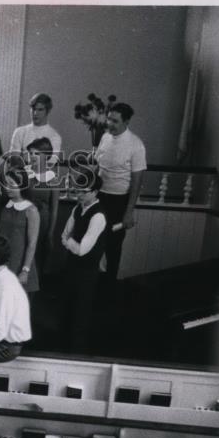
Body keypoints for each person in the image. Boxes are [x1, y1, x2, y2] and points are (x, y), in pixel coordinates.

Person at [95, 101, 146, 291]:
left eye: (115, 121)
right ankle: (93, 286)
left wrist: (128, 212)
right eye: (109, 119)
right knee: (94, 241)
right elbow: (98, 166)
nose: (110, 124)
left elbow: (137, 181)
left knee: (113, 247)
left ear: (126, 122)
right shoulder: (105, 137)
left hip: (119, 202)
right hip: (99, 197)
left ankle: (108, 290)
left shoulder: (136, 145)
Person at [60, 170, 107, 353]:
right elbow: (63, 235)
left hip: (87, 272)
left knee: (81, 315)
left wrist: (69, 242)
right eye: (77, 191)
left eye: (83, 191)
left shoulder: (98, 216)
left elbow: (81, 250)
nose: (78, 195)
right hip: (71, 268)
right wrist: (70, 241)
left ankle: (77, 353)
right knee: (66, 309)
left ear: (95, 192)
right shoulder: (77, 209)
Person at [0, 165, 40, 294]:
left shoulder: (31, 210)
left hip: (19, 263)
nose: (7, 188)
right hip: (4, 262)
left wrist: (25, 270)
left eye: (11, 184)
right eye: (6, 184)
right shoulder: (6, 206)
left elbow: (32, 243)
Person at [24, 137, 60, 279]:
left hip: (42, 222)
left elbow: (54, 209)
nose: (32, 157)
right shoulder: (24, 174)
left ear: (46, 156)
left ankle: (33, 292)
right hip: (25, 219)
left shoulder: (53, 178)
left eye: (37, 154)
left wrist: (50, 232)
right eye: (31, 153)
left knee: (37, 256)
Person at [9, 93, 63, 162]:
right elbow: (14, 159)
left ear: (48, 111)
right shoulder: (19, 132)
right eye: (33, 109)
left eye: (40, 110)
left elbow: (50, 163)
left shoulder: (55, 136)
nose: (35, 113)